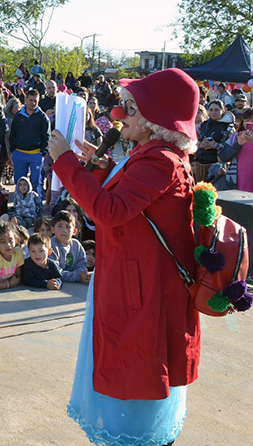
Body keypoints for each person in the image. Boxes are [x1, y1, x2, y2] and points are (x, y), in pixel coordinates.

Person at [49, 68, 201, 444]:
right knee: (135, 379)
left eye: (131, 107)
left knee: (136, 388)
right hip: (140, 284)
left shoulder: (159, 159)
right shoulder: (153, 154)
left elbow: (111, 211)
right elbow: (127, 203)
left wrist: (65, 163)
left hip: (143, 293)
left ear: (156, 117)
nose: (121, 114)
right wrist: (102, 170)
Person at [9, 89, 50, 198]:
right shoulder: (18, 116)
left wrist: (42, 153)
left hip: (35, 154)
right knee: (19, 182)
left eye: (35, 101)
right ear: (26, 100)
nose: (33, 103)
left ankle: (37, 204)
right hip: (19, 153)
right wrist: (13, 150)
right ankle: (19, 203)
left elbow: (47, 137)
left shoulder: (42, 117)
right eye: (31, 100)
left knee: (37, 182)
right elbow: (12, 134)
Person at [194, 100, 233, 182]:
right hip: (200, 163)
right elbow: (195, 142)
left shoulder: (228, 127)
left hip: (216, 166)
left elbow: (230, 149)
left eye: (216, 110)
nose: (213, 112)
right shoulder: (204, 125)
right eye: (211, 110)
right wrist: (200, 145)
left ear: (223, 110)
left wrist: (215, 145)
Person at [50, 211, 90, 284]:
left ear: (74, 231)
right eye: (60, 226)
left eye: (68, 227)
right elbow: (55, 271)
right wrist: (77, 276)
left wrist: (81, 274)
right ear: (53, 229)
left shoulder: (76, 244)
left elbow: (82, 264)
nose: (64, 230)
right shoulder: (51, 245)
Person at [0, 221, 23, 290]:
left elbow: (18, 277)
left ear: (15, 240)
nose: (8, 245)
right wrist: (10, 284)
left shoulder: (18, 252)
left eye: (10, 240)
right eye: (2, 242)